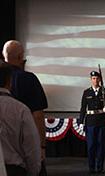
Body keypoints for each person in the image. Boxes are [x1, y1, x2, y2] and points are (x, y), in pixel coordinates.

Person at [2, 40, 48, 175]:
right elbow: (38, 115)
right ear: (20, 56)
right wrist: (42, 147)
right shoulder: (28, 79)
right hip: (20, 156)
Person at [0, 63, 41, 176]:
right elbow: (31, 146)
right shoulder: (20, 109)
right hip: (14, 170)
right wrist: (33, 171)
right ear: (10, 81)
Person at [79, 71, 105, 174]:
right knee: (91, 145)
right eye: (93, 78)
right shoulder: (86, 92)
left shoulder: (104, 91)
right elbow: (83, 108)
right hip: (91, 122)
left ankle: (100, 168)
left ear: (100, 79)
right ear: (91, 79)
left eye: (97, 78)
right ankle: (91, 168)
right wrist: (81, 121)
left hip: (101, 121)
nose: (95, 80)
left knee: (101, 145)